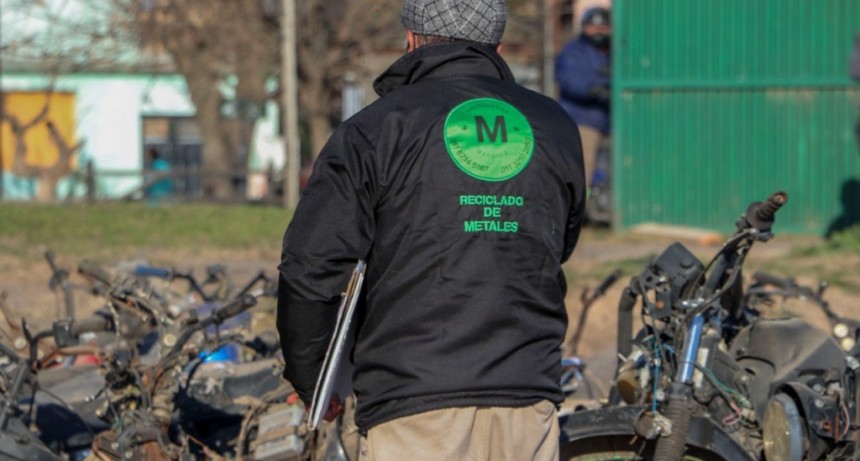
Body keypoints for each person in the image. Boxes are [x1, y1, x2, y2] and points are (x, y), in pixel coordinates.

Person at [277, 0, 585, 460]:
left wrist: (313, 379)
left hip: (413, 405)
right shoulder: (554, 126)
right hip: (527, 397)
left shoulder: (374, 130)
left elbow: (310, 268)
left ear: (412, 40)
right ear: (497, 47)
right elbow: (558, 242)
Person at [555, 7, 611, 190]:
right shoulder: (573, 51)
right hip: (582, 118)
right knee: (584, 166)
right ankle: (582, 204)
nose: (598, 32)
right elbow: (569, 81)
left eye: (603, 27)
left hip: (611, 117)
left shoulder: (615, 50)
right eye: (593, 27)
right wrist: (595, 88)